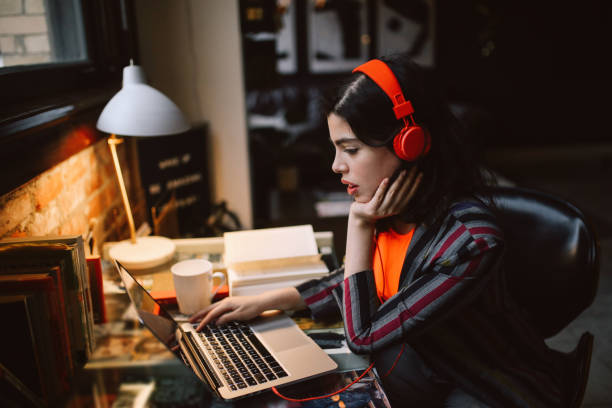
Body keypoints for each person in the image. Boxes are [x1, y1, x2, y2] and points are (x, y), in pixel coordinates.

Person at [190, 53, 577, 407]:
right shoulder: (396, 208)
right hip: (427, 359)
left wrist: (358, 225)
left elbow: (364, 335)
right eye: (335, 149)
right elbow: (360, 278)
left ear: (408, 143)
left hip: (484, 380)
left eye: (351, 149)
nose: (336, 166)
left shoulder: (470, 242)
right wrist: (264, 301)